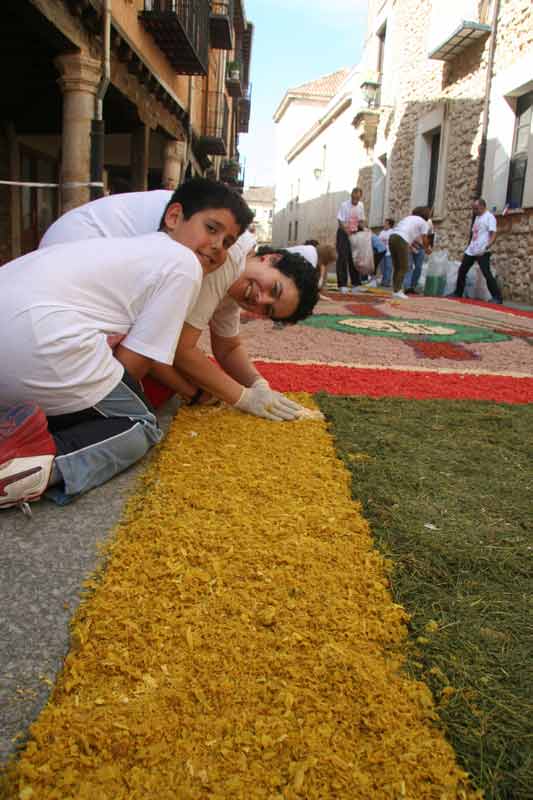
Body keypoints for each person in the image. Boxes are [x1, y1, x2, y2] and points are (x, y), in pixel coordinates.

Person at [0, 179, 260, 512]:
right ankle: (31, 466)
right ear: (174, 216)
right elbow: (131, 366)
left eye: (228, 242)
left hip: (19, 329)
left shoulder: (124, 247)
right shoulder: (183, 265)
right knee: (140, 424)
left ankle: (22, 420)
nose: (217, 247)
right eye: (211, 229)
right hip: (39, 341)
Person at [39, 187, 319, 419]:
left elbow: (228, 346)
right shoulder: (227, 255)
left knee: (157, 367)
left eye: (267, 309)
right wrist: (242, 398)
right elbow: (179, 349)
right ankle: (88, 416)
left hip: (66, 258)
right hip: (72, 259)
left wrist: (260, 385)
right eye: (275, 288)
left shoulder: (234, 275)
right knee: (144, 376)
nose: (260, 299)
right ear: (271, 259)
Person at [448, 198, 502, 304]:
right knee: (462, 270)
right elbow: (475, 234)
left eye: (476, 208)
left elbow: (493, 234)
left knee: (486, 273)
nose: (474, 211)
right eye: (473, 209)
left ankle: (497, 297)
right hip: (472, 250)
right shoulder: (477, 217)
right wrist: (468, 248)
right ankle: (458, 293)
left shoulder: (489, 217)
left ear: (483, 206)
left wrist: (486, 247)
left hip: (483, 250)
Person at [388, 207, 433, 299]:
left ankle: (395, 290)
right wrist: (427, 249)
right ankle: (398, 291)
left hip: (392, 237)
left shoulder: (409, 218)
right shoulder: (424, 223)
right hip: (402, 239)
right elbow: (424, 238)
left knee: (397, 266)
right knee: (404, 266)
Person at [335, 187, 365, 293]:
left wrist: (364, 230)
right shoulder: (344, 205)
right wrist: (346, 231)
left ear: (360, 197)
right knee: (343, 257)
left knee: (354, 258)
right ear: (351, 195)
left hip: (355, 233)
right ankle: (342, 284)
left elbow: (361, 220)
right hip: (343, 233)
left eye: (358, 198)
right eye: (354, 197)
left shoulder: (361, 205)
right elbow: (340, 220)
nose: (355, 200)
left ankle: (356, 284)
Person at [378, 218, 394, 287]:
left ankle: (387, 282)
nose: (384, 225)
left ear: (389, 225)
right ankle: (383, 281)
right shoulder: (382, 232)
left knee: (388, 267)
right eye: (384, 223)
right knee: (382, 267)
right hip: (381, 252)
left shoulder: (392, 232)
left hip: (389, 253)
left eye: (386, 223)